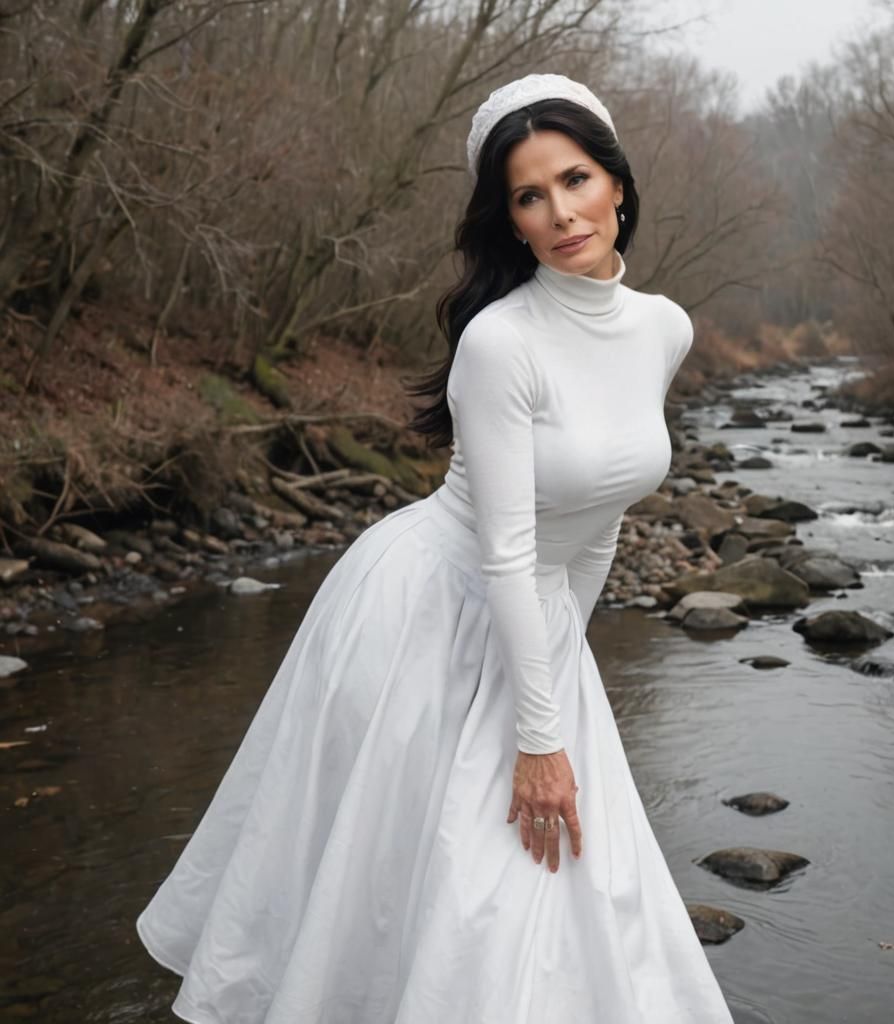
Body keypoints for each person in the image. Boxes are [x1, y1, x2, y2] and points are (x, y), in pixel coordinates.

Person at [136, 73, 736, 1024]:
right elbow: (505, 550)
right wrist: (539, 737)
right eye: (530, 197)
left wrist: (560, 673)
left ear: (618, 182)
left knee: (546, 881)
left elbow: (604, 510)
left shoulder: (663, 328)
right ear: (511, 221)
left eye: (575, 180)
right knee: (427, 879)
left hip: (538, 624)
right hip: (431, 608)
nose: (561, 213)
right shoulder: (501, 344)